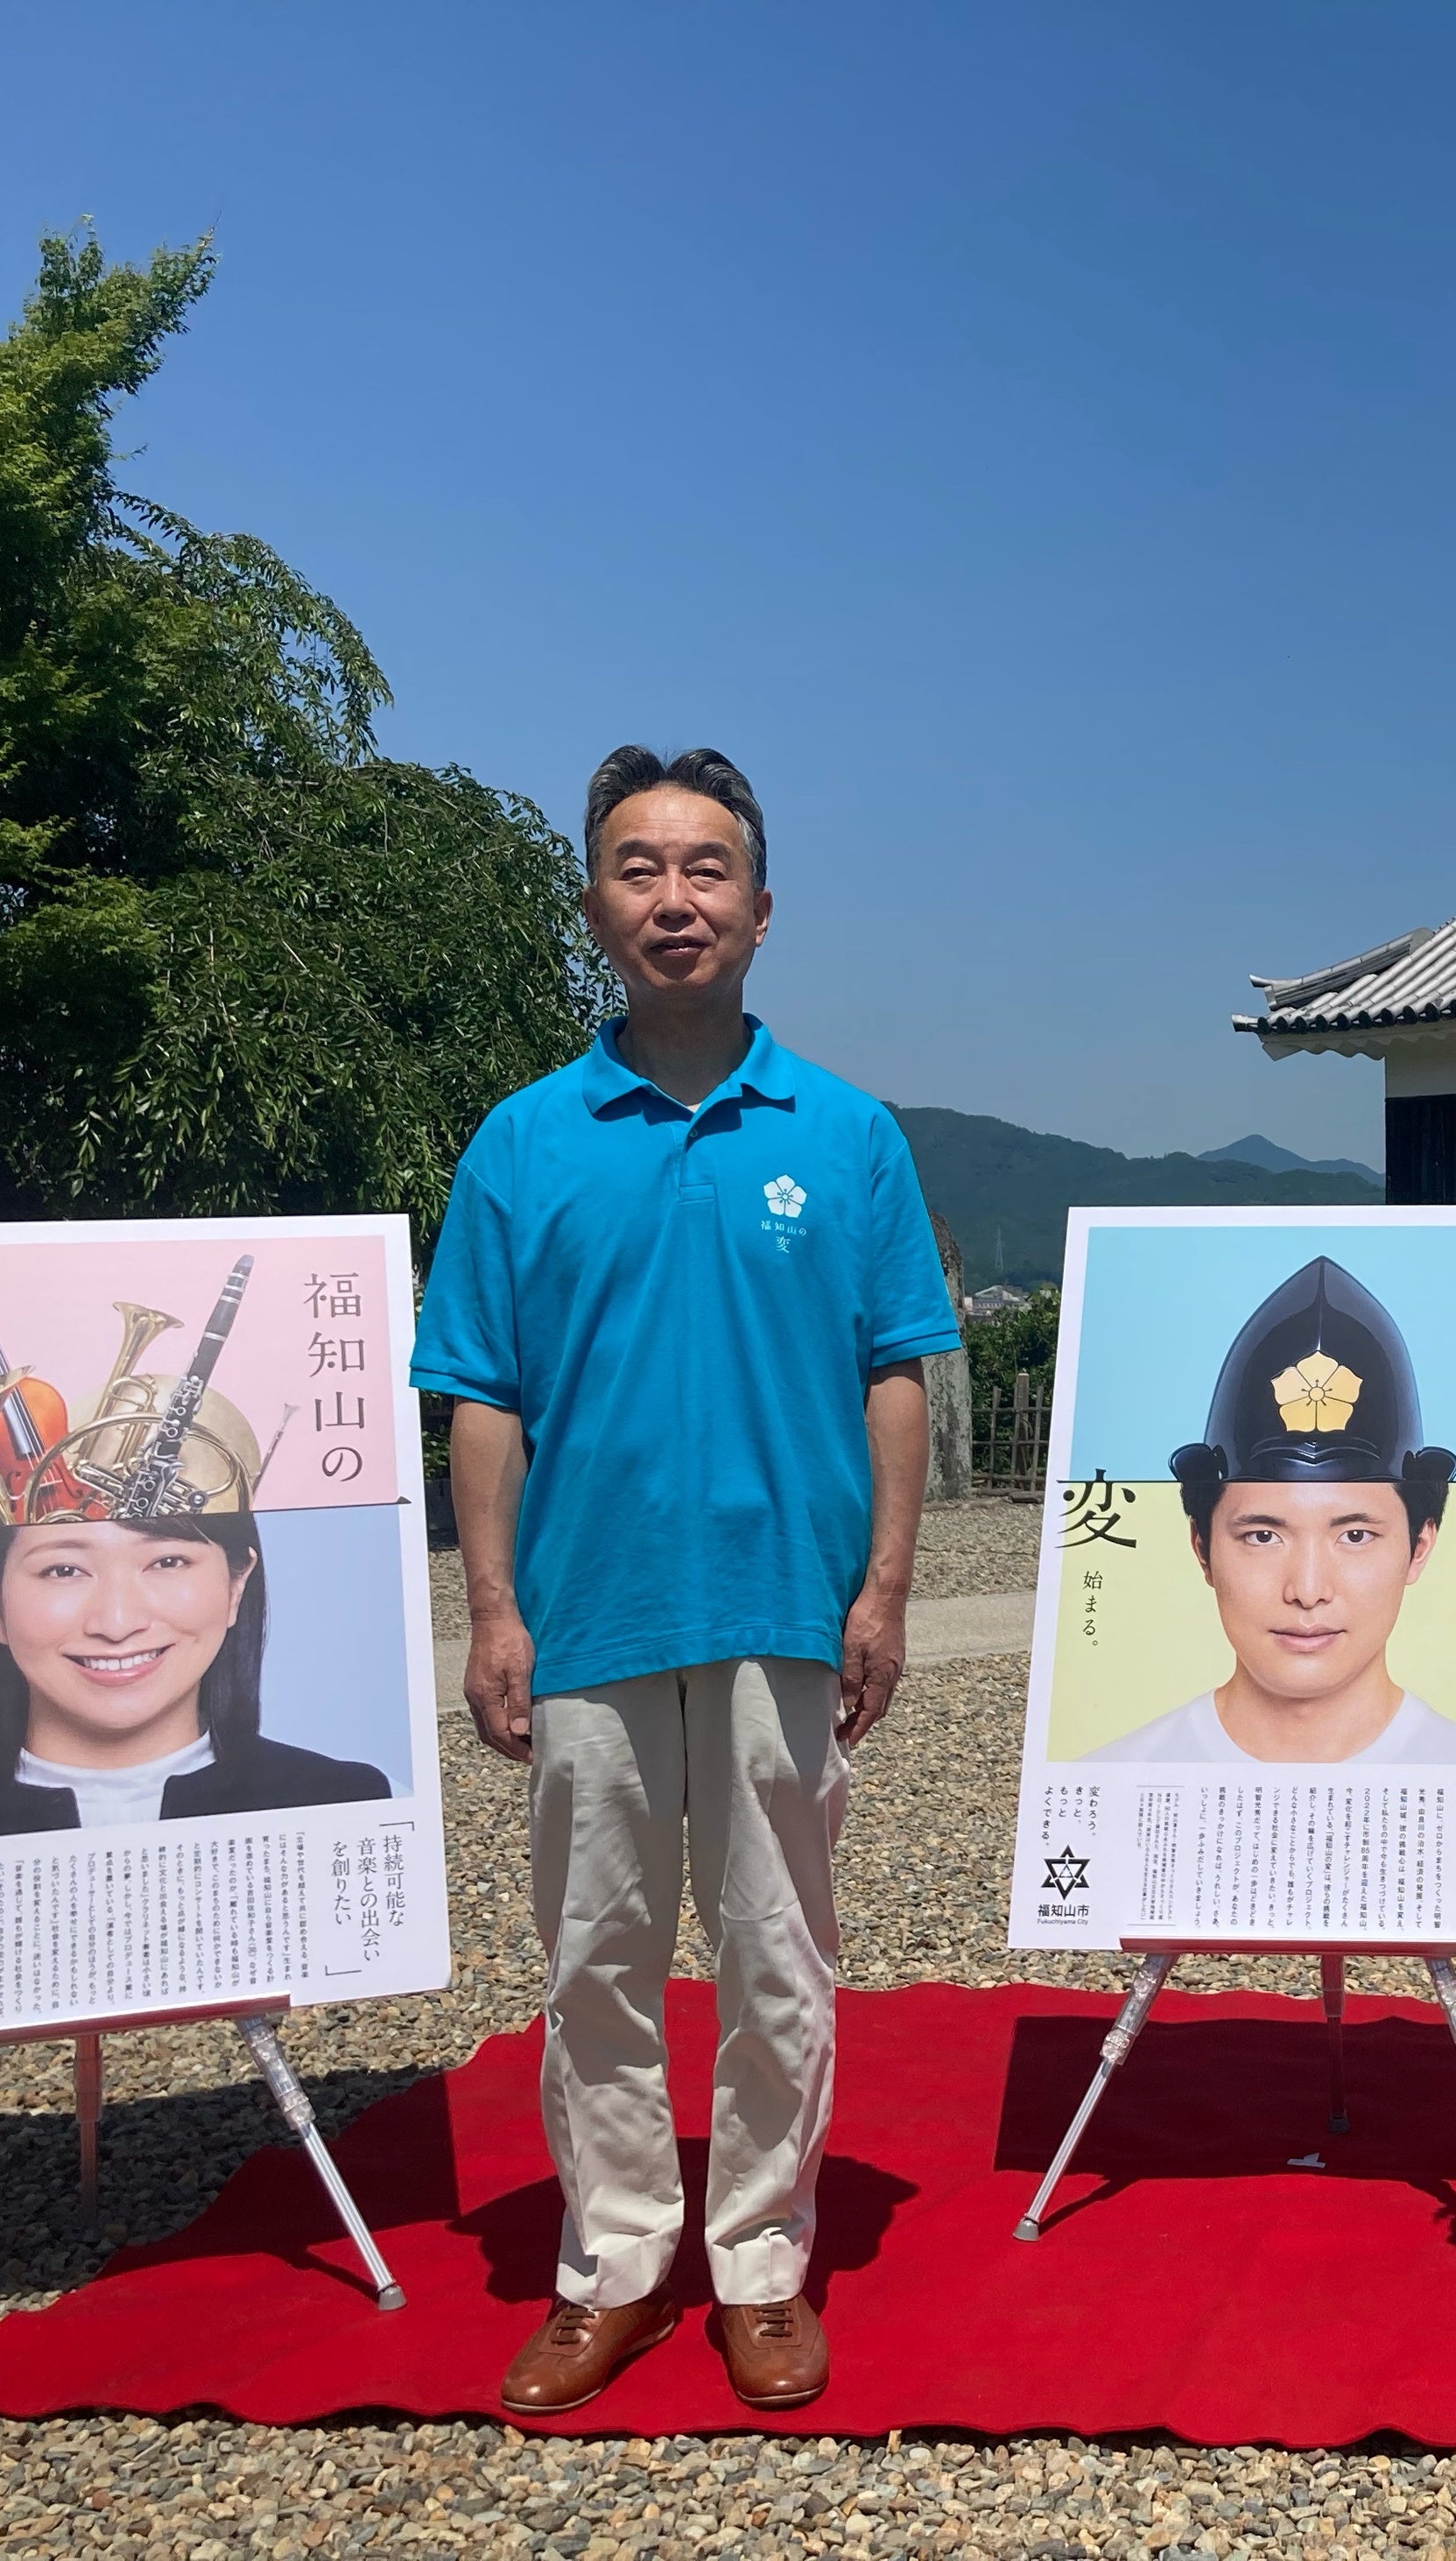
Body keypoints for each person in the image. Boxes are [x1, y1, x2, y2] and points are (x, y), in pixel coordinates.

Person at [415, 745, 960, 2417]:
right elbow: (483, 1394)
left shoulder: (850, 1137)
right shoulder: (523, 1142)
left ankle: (767, 2258)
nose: (676, 900)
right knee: (594, 1952)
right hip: (587, 1611)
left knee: (781, 1946)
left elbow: (898, 1372)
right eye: (641, 870)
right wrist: (491, 1611)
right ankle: (616, 2257)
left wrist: (880, 1590)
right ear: (597, 905)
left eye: (707, 869)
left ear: (763, 907)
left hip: (783, 1605)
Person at [1089, 1256, 1456, 1766]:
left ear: (1419, 1546)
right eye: (1263, 1536)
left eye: (1355, 1535)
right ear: (1202, 1548)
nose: (1308, 1591)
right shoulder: (1112, 1781)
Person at [0, 1511, 390, 1851]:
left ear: (237, 1582)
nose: (117, 1623)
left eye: (167, 1561)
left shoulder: (350, 1804)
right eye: (63, 1569)